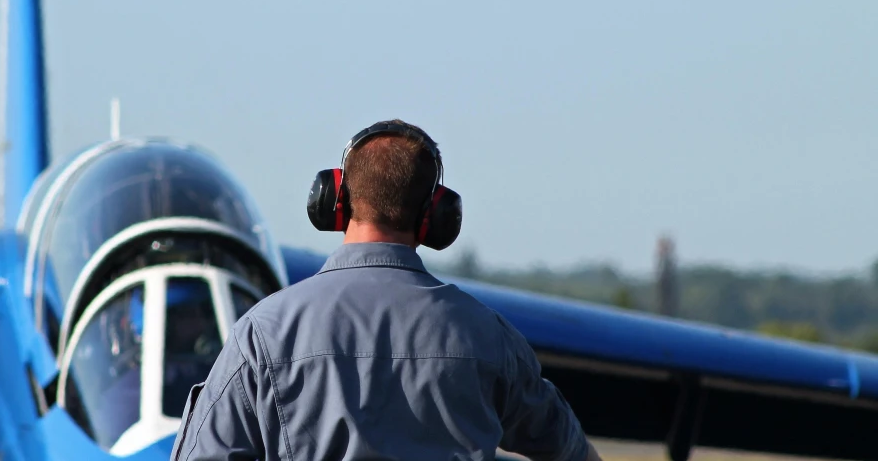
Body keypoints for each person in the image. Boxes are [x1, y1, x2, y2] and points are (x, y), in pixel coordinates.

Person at [169, 119, 602, 461]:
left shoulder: (263, 334)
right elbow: (569, 449)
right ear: (435, 216)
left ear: (334, 199)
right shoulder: (488, 337)